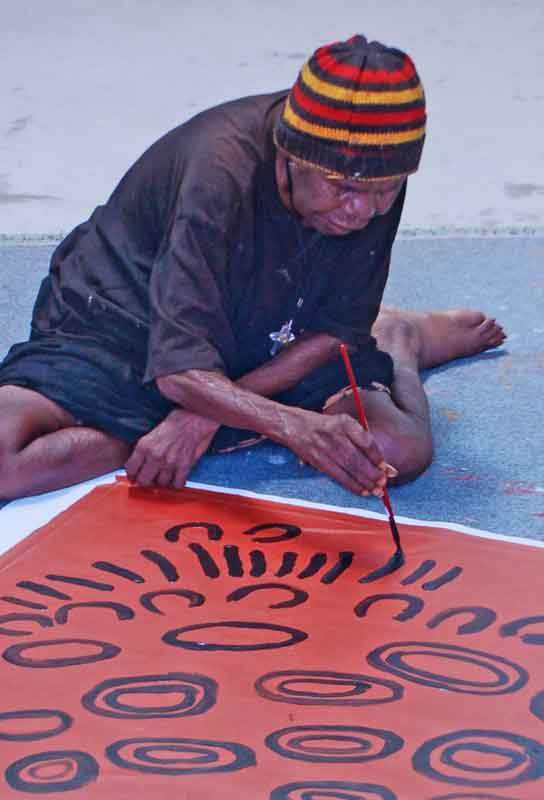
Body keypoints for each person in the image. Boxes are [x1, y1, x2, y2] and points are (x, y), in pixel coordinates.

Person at [0, 34, 504, 501]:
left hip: (275, 330)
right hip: (126, 319)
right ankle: (216, 414)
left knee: (394, 456)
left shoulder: (375, 167)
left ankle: (399, 343)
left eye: (383, 191)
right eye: (342, 187)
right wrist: (286, 423)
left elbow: (333, 331)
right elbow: (178, 371)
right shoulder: (218, 172)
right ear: (289, 156)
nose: (360, 210)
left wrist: (205, 415)